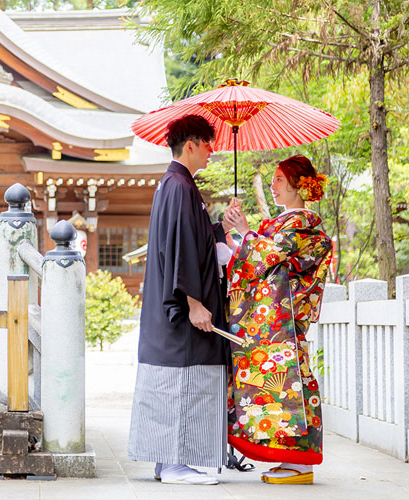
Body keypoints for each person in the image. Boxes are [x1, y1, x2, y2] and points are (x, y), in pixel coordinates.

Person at [128, 114, 236, 486]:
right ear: (190, 144)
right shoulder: (179, 186)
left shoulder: (175, 185)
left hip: (172, 307)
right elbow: (180, 248)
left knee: (175, 383)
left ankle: (167, 462)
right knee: (183, 383)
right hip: (181, 311)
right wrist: (193, 302)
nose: (212, 151)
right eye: (208, 144)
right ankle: (175, 464)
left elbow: (198, 239)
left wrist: (222, 226)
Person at [223, 154, 332, 485]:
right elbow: (258, 255)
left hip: (283, 321)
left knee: (289, 386)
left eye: (279, 180)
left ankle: (301, 462)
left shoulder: (304, 224)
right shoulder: (283, 223)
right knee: (274, 388)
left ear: (298, 185)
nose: (273, 186)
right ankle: (291, 458)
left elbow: (272, 256)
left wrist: (246, 232)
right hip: (272, 323)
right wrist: (237, 235)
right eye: (272, 180)